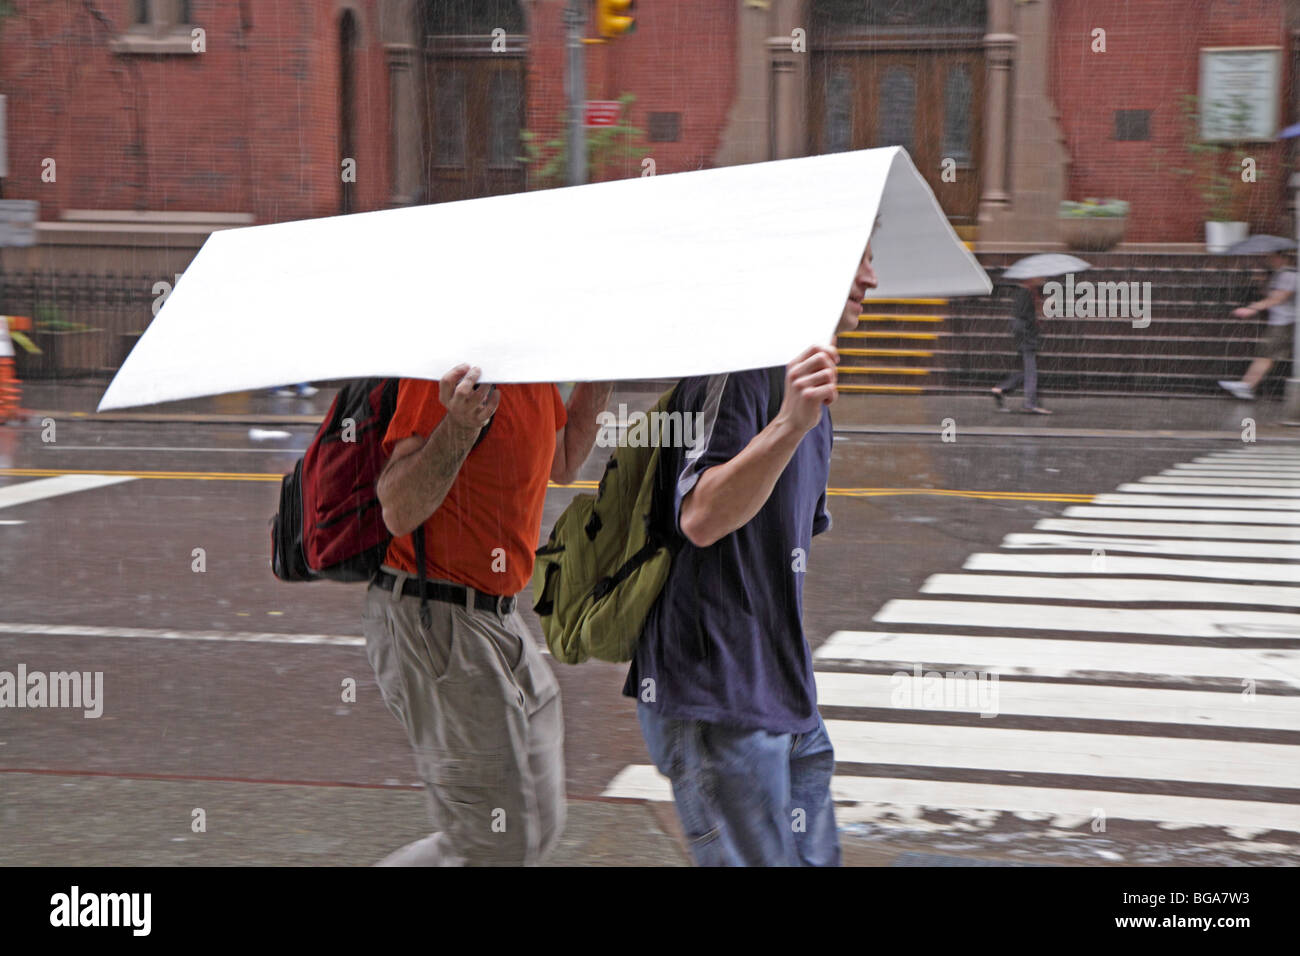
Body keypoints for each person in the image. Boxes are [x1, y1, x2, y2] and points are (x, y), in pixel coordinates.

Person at [620, 241, 879, 867]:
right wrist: (789, 424)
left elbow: (779, 556)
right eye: (857, 256)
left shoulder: (806, 385)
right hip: (717, 696)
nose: (872, 276)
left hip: (785, 693)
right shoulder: (739, 367)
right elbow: (702, 517)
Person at [365, 365, 611, 865]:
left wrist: (602, 371)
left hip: (498, 617)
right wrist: (458, 426)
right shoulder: (445, 371)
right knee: (495, 842)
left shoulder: (532, 369)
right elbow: (398, 508)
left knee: (536, 826)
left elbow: (563, 462)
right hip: (434, 614)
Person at [1219, 250, 1296, 400]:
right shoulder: (1282, 274)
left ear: (1280, 258)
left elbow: (1278, 298)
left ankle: (1248, 386)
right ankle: (1247, 385)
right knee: (1266, 354)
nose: (1268, 260)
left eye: (1271, 257)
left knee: (1266, 354)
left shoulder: (1289, 275)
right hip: (1282, 320)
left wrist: (1251, 309)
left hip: (1285, 322)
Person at [991, 277, 1052, 414]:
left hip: (1024, 334)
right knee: (1031, 368)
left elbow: (1026, 316)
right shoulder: (1026, 293)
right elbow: (1027, 317)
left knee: (1029, 368)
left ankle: (1002, 388)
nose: (1041, 280)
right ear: (1030, 279)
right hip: (1026, 334)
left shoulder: (1027, 292)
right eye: (1039, 277)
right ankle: (1030, 403)